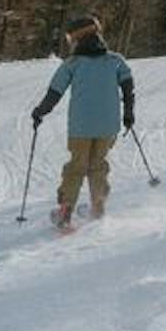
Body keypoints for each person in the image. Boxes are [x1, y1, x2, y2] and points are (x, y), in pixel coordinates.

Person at [29, 13, 135, 227]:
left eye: (71, 39)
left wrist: (40, 112)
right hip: (108, 126)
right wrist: (128, 113)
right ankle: (98, 207)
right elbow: (128, 87)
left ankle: (65, 211)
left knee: (77, 166)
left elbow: (54, 93)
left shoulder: (72, 64)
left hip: (81, 127)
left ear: (77, 39)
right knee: (98, 165)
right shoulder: (115, 61)